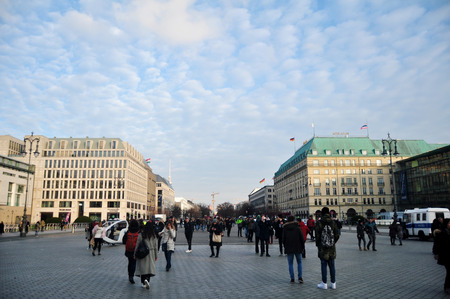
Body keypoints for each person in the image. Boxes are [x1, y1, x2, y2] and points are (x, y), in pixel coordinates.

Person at [315, 207, 339, 290]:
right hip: (331, 248)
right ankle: (333, 283)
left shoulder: (319, 222)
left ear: (322, 213)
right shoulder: (333, 222)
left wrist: (319, 244)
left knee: (323, 264)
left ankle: (324, 283)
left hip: (323, 248)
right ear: (328, 213)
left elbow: (317, 236)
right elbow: (337, 234)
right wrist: (332, 242)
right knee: (332, 265)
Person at [134, 222, 158, 289]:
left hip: (143, 253)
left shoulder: (141, 235)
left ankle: (143, 282)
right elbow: (156, 246)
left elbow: (137, 245)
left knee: (143, 268)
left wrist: (135, 254)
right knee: (149, 268)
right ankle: (147, 280)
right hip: (151, 253)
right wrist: (156, 255)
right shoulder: (154, 235)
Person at [283, 216, 305, 283]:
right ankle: (300, 277)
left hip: (289, 247)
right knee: (299, 262)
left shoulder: (285, 228)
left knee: (290, 263)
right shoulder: (297, 228)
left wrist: (285, 246)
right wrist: (302, 246)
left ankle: (292, 279)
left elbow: (283, 239)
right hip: (298, 247)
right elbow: (302, 238)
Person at [433, 218, 450, 295]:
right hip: (445, 255)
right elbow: (436, 244)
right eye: (449, 223)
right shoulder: (441, 233)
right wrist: (436, 253)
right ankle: (447, 287)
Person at [123, 219, 140, 284]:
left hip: (128, 250)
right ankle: (131, 276)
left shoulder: (128, 231)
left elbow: (124, 241)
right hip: (135, 250)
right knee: (133, 263)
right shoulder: (138, 232)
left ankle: (129, 275)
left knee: (129, 262)